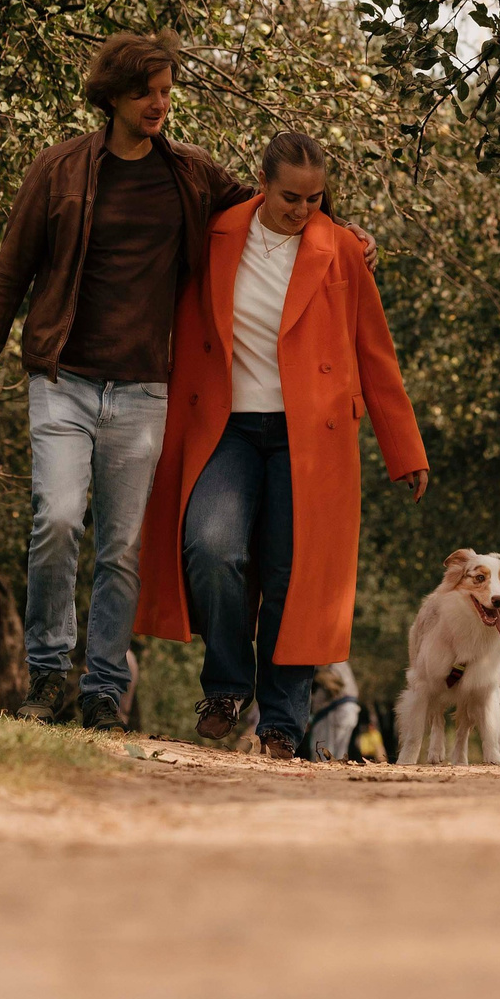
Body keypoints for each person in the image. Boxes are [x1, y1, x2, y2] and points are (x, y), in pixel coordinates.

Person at [0, 32, 255, 729]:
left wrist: (334, 223)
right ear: (112, 94)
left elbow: (260, 209)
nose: (159, 103)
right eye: (147, 90)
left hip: (144, 389)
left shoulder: (189, 173)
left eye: (167, 91)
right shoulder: (59, 169)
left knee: (120, 546)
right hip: (64, 379)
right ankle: (51, 674)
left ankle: (103, 687)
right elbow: (10, 270)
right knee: (56, 519)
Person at [132, 132, 430, 757]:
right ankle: (226, 686)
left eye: (315, 199)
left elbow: (374, 353)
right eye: (291, 197)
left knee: (294, 577)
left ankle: (282, 725)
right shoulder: (216, 235)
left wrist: (404, 449)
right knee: (211, 547)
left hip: (309, 436)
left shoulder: (342, 249)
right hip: (227, 427)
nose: (302, 211)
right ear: (262, 183)